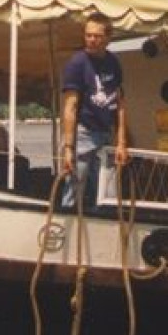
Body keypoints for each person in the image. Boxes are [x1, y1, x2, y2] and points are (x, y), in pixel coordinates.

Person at [60, 13, 128, 209]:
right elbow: (70, 107)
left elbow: (120, 103)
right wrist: (68, 149)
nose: (91, 40)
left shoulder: (114, 63)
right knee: (74, 188)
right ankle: (66, 230)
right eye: (88, 35)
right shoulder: (77, 64)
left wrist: (122, 142)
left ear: (107, 38)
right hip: (82, 134)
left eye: (96, 36)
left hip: (105, 135)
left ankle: (102, 229)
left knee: (107, 193)